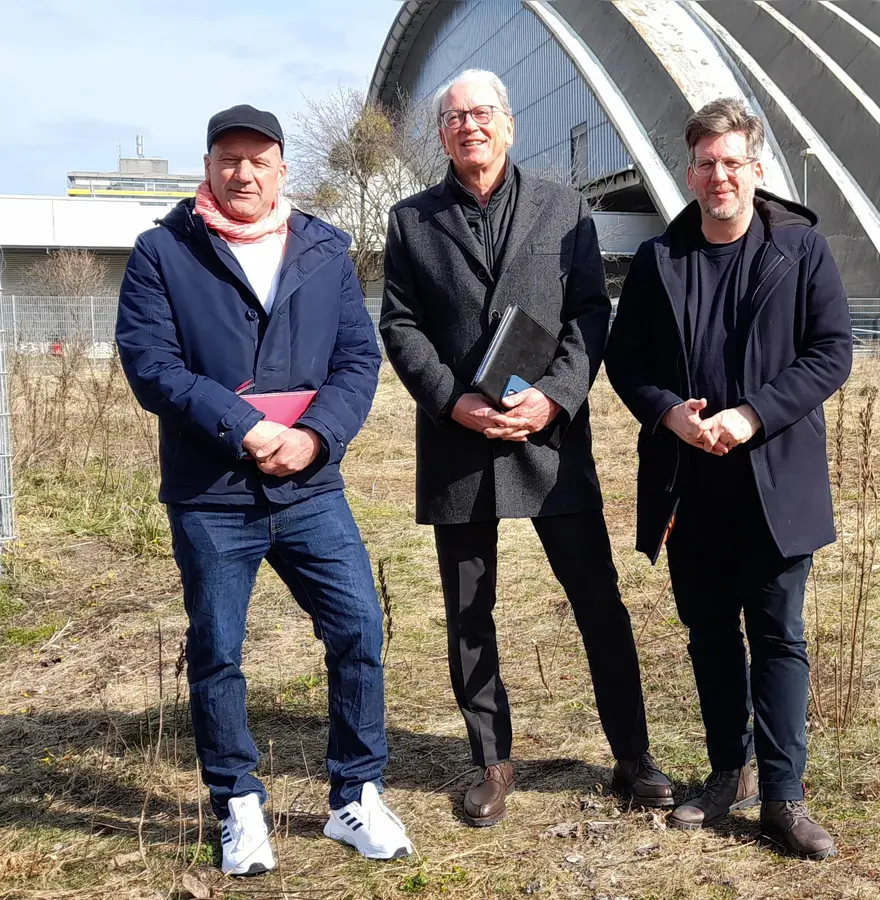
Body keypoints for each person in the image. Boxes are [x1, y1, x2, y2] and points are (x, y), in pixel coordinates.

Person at [115, 105, 412, 876]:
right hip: (212, 492)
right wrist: (244, 427)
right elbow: (152, 364)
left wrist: (314, 437)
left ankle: (356, 794)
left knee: (358, 630)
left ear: (282, 168)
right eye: (228, 159)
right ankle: (238, 803)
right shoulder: (163, 252)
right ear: (207, 167)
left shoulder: (323, 250)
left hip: (311, 487)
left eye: (258, 159)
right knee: (218, 649)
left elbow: (357, 361)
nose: (242, 173)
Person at [380, 69, 669, 827]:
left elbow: (589, 313)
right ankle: (491, 760)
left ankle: (633, 755)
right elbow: (400, 325)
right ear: (440, 134)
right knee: (469, 612)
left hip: (550, 442)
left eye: (482, 113)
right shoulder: (411, 221)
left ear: (509, 124)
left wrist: (556, 396)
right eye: (454, 117)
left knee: (597, 600)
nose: (469, 126)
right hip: (459, 444)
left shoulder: (563, 208)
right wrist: (453, 401)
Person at [606, 98, 853, 860]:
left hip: (774, 483)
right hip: (691, 485)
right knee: (710, 633)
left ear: (756, 169)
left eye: (732, 163)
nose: (720, 176)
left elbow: (831, 352)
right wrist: (668, 414)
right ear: (690, 173)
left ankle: (783, 796)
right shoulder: (660, 260)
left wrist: (752, 416)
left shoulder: (800, 251)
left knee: (778, 637)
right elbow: (626, 360)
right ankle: (727, 772)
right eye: (706, 164)